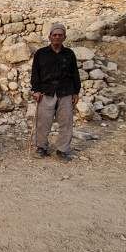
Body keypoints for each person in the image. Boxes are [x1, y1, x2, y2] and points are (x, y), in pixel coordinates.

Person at [30, 23, 81, 160]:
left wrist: (76, 92)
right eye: (54, 35)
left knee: (66, 122)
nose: (57, 37)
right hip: (46, 92)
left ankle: (62, 150)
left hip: (66, 92)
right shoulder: (41, 53)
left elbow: (75, 74)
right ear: (49, 37)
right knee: (43, 122)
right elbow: (35, 73)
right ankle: (41, 147)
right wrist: (35, 90)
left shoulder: (69, 54)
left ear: (64, 37)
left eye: (60, 35)